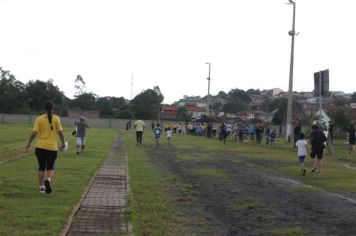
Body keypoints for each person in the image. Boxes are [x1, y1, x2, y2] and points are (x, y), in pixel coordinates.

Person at [26, 101, 66, 194]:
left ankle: (41, 187)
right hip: (52, 148)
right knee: (50, 167)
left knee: (41, 167)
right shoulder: (56, 118)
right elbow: (60, 132)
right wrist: (63, 142)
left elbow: (34, 133)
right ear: (53, 109)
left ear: (44, 109)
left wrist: (29, 143)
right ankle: (48, 179)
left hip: (40, 147)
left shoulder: (39, 119)